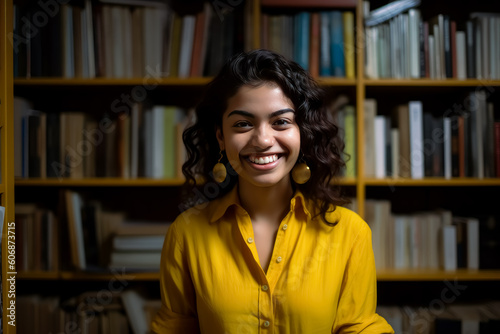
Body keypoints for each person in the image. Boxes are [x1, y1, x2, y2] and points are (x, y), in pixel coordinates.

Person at [151, 49, 394, 333]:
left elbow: (359, 327)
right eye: (243, 124)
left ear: (301, 131)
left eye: (281, 122)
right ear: (221, 136)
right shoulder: (186, 233)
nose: (263, 140)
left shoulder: (350, 233)